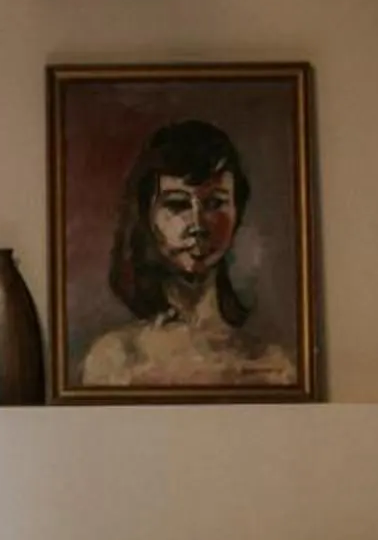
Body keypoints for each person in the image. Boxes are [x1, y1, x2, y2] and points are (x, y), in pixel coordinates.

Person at [79, 117, 298, 389]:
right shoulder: (115, 359)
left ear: (237, 213)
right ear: (147, 217)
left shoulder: (273, 364)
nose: (198, 224)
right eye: (177, 205)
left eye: (215, 203)